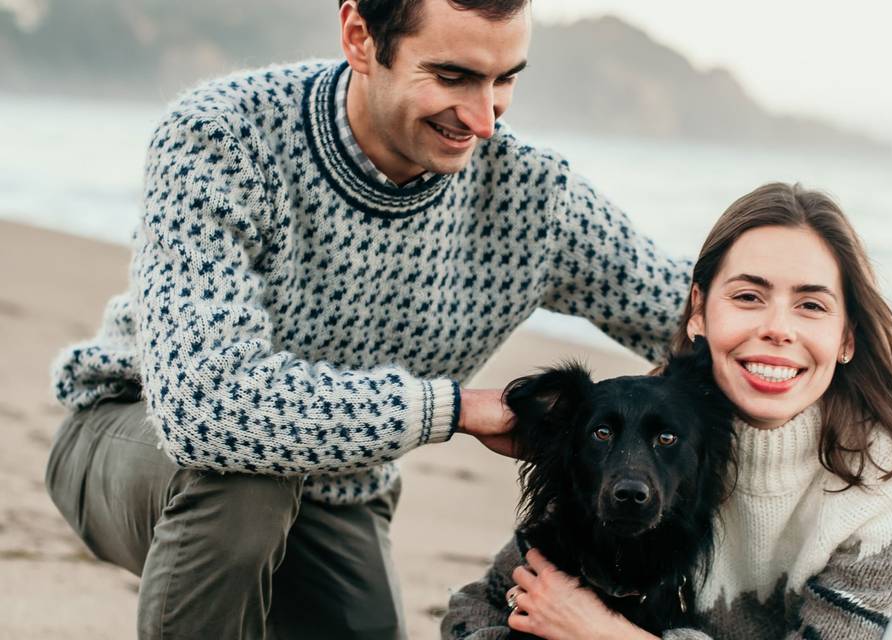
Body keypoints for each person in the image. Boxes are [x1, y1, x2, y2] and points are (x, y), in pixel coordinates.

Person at [43, 1, 697, 639]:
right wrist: (455, 410)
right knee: (244, 492)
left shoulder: (532, 199)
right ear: (360, 37)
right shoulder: (223, 135)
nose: (484, 118)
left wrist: (789, 314)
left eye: (505, 80)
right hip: (139, 442)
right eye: (453, 76)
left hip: (340, 488)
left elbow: (697, 317)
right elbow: (209, 411)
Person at [442, 182, 892, 640]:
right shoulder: (643, 428)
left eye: (811, 305)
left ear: (846, 337)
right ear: (698, 312)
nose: (778, 328)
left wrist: (607, 635)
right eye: (749, 295)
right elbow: (472, 608)